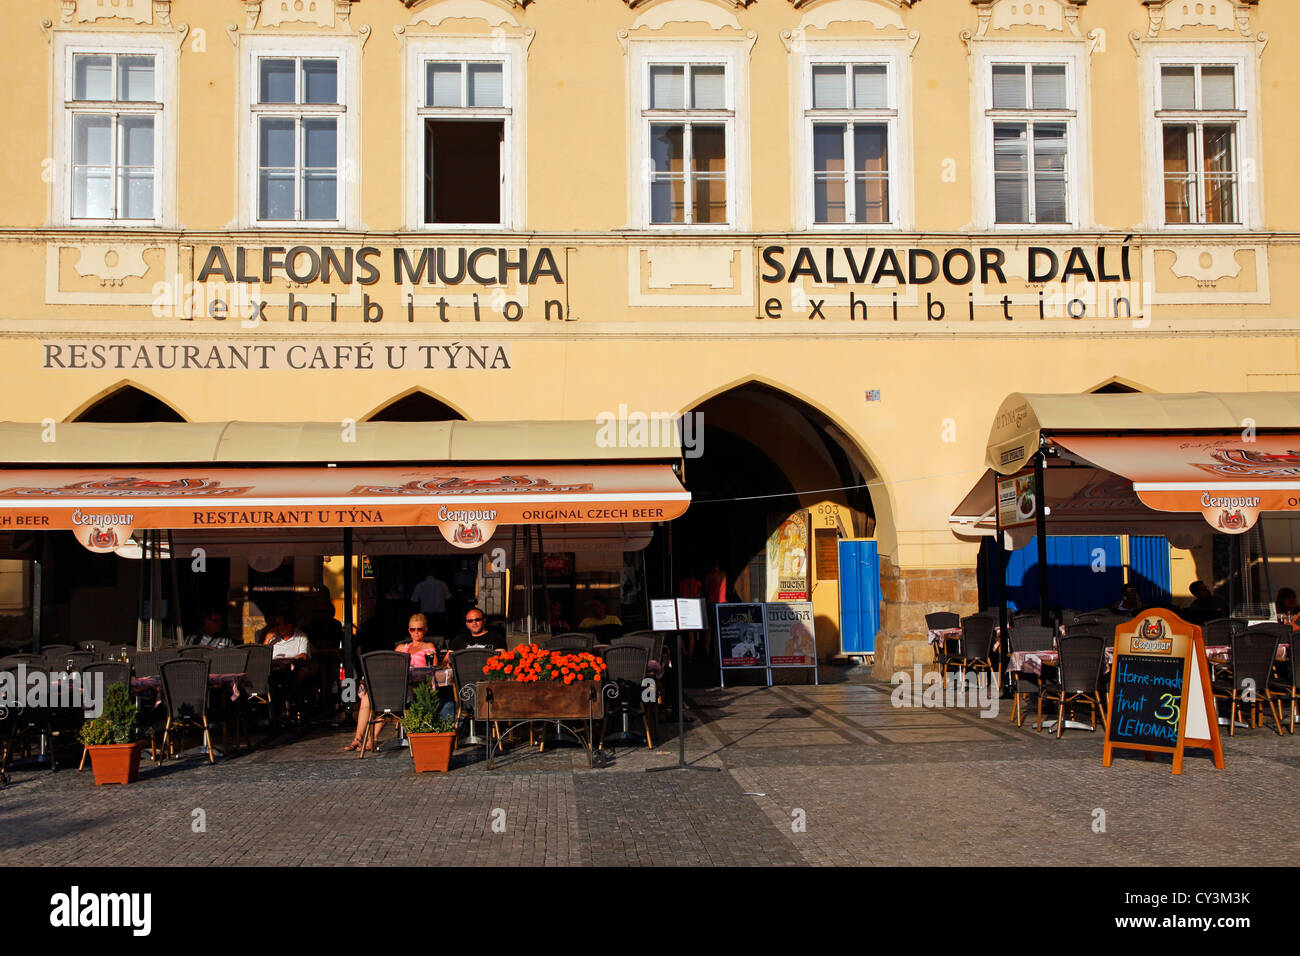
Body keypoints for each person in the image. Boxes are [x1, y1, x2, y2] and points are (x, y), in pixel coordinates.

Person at [344, 614, 453, 751]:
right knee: (367, 697)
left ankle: (372, 739)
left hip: (416, 687)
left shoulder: (428, 646)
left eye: (419, 629)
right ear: (409, 631)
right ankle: (358, 739)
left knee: (388, 698)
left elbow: (433, 668)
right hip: (397, 685)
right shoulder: (402, 647)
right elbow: (390, 666)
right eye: (412, 630)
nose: (416, 632)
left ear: (425, 630)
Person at [410, 567, 452, 634]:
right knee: (440, 633)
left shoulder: (420, 585)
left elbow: (414, 600)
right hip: (440, 613)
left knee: (427, 634)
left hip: (425, 613)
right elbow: (448, 598)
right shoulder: (442, 584)